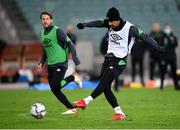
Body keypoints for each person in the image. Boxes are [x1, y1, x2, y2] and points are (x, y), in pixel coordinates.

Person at [73, 7, 165, 120]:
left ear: (117, 20)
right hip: (108, 59)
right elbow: (98, 23)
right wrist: (84, 24)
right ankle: (119, 113)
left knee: (103, 82)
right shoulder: (110, 23)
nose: (110, 24)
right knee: (105, 88)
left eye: (112, 21)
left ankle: (86, 101)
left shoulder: (130, 29)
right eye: (109, 21)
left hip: (120, 60)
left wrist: (158, 47)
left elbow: (145, 37)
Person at [38, 11, 82, 115]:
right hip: (51, 64)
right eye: (43, 19)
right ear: (41, 21)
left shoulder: (57, 31)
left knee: (55, 86)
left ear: (51, 20)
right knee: (54, 89)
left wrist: (75, 58)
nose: (45, 21)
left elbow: (70, 43)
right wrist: (41, 62)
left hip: (61, 62)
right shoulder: (42, 33)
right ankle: (71, 108)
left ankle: (73, 77)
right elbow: (46, 50)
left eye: (47, 19)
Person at [160, 24, 180, 90]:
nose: (167, 29)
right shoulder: (162, 37)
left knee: (174, 72)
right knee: (163, 72)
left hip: (172, 57)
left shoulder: (173, 37)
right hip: (165, 57)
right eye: (166, 28)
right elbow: (160, 46)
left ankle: (176, 86)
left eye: (168, 28)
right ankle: (161, 85)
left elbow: (175, 44)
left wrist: (170, 40)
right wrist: (162, 58)